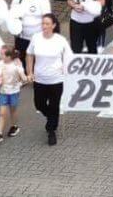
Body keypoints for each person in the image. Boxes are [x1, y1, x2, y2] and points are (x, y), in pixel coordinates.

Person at [26, 13, 71, 146]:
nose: (44, 26)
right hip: (40, 79)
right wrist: (29, 71)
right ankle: (51, 117)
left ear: (53, 25)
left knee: (54, 105)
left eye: (47, 23)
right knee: (39, 104)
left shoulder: (60, 40)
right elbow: (29, 55)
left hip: (56, 80)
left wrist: (65, 67)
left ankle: (51, 130)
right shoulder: (36, 38)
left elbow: (68, 56)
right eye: (43, 23)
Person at [10, 0, 51, 72]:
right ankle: (23, 76)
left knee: (37, 57)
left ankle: (36, 75)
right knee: (21, 56)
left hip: (37, 35)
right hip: (21, 35)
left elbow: (47, 17)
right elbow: (12, 11)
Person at [0, 45, 27, 145]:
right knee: (2, 113)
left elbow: (23, 78)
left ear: (8, 56)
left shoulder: (17, 66)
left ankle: (14, 126)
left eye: (2, 54)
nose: (0, 55)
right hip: (3, 92)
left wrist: (21, 81)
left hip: (14, 92)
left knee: (13, 110)